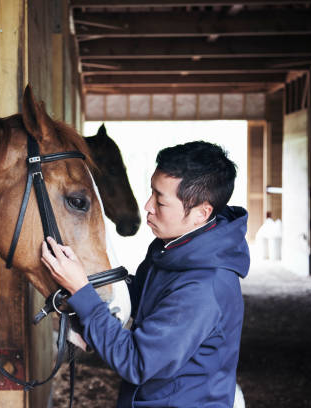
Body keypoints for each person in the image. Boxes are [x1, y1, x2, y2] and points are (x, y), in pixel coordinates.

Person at [41, 141, 250, 408]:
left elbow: (137, 362)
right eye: (152, 192)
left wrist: (83, 294)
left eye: (160, 201)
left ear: (201, 213)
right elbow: (138, 297)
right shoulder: (174, 246)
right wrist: (85, 296)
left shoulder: (203, 289)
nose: (148, 205)